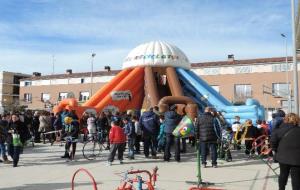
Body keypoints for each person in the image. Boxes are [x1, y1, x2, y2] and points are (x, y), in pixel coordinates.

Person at [271, 113, 300, 190]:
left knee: (283, 174)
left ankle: (281, 188)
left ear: (285, 119)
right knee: (296, 177)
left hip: (283, 156)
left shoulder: (278, 131)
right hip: (297, 158)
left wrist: (275, 150)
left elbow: (273, 142)